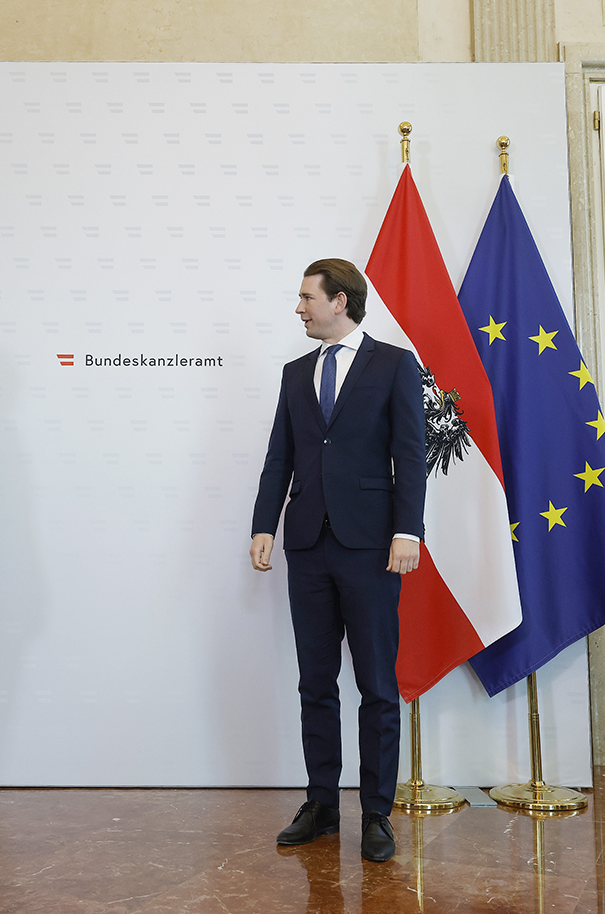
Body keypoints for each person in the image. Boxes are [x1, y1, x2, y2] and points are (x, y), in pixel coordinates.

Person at [250, 258, 425, 862]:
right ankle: (322, 803)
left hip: (375, 547)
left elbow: (411, 453)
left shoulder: (395, 364)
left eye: (306, 298)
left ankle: (376, 813)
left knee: (377, 684)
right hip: (307, 545)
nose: (299, 308)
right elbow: (281, 457)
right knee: (315, 682)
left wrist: (409, 531)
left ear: (340, 302)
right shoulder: (295, 373)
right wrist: (263, 526)